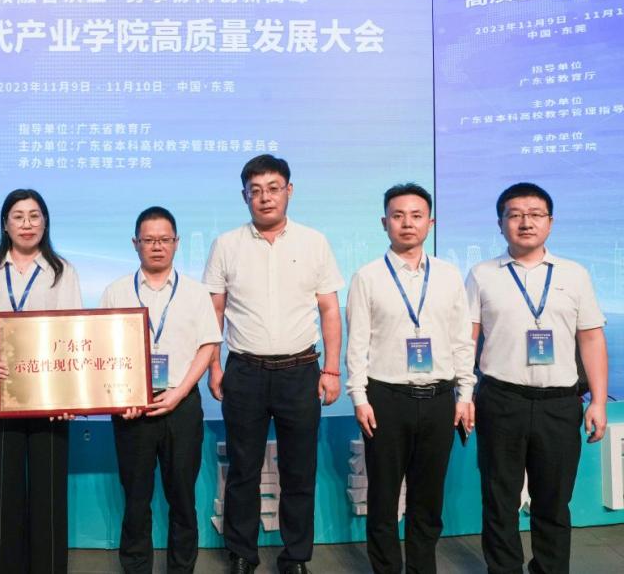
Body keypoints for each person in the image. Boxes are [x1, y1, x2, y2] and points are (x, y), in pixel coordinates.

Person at [203, 154, 344, 574]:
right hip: (244, 371)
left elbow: (329, 310)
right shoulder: (226, 244)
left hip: (300, 372)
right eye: (256, 190)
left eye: (273, 188)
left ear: (289, 191)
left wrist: (332, 369)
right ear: (244, 196)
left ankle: (295, 556)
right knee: (243, 469)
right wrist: (214, 367)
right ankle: (241, 553)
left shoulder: (314, 242)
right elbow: (214, 312)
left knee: (299, 471)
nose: (265, 197)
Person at [467, 182, 608, 574]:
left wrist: (598, 401)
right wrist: (464, 395)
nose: (525, 222)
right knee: (499, 499)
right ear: (500, 223)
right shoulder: (481, 275)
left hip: (559, 403)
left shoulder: (574, 275)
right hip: (501, 400)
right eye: (514, 215)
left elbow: (591, 338)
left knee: (554, 502)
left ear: (550, 222)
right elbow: (468, 339)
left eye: (535, 214)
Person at [344, 183, 476, 574]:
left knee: (428, 499)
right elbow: (357, 344)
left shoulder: (448, 276)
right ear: (384, 222)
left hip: (439, 399)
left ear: (430, 223)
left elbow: (461, 340)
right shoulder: (367, 277)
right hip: (386, 399)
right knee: (383, 499)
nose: (407, 223)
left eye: (416, 216)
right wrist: (359, 397)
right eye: (398, 216)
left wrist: (465, 394)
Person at [0, 188, 82, 574]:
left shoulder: (62, 271)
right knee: (3, 484)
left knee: (49, 485)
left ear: (45, 222)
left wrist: (71, 396)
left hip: (50, 389)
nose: (27, 224)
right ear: (5, 225)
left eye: (34, 215)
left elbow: (74, 330)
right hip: (1, 385)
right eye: (18, 216)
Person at [99, 206, 221, 573]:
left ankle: (181, 569)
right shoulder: (116, 291)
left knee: (182, 498)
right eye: (149, 240)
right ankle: (136, 568)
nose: (157, 246)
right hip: (131, 408)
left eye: (164, 239)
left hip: (181, 405)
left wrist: (180, 391)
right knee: (136, 500)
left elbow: (208, 345)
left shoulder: (196, 293)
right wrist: (122, 397)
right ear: (135, 243)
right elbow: (103, 350)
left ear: (176, 242)